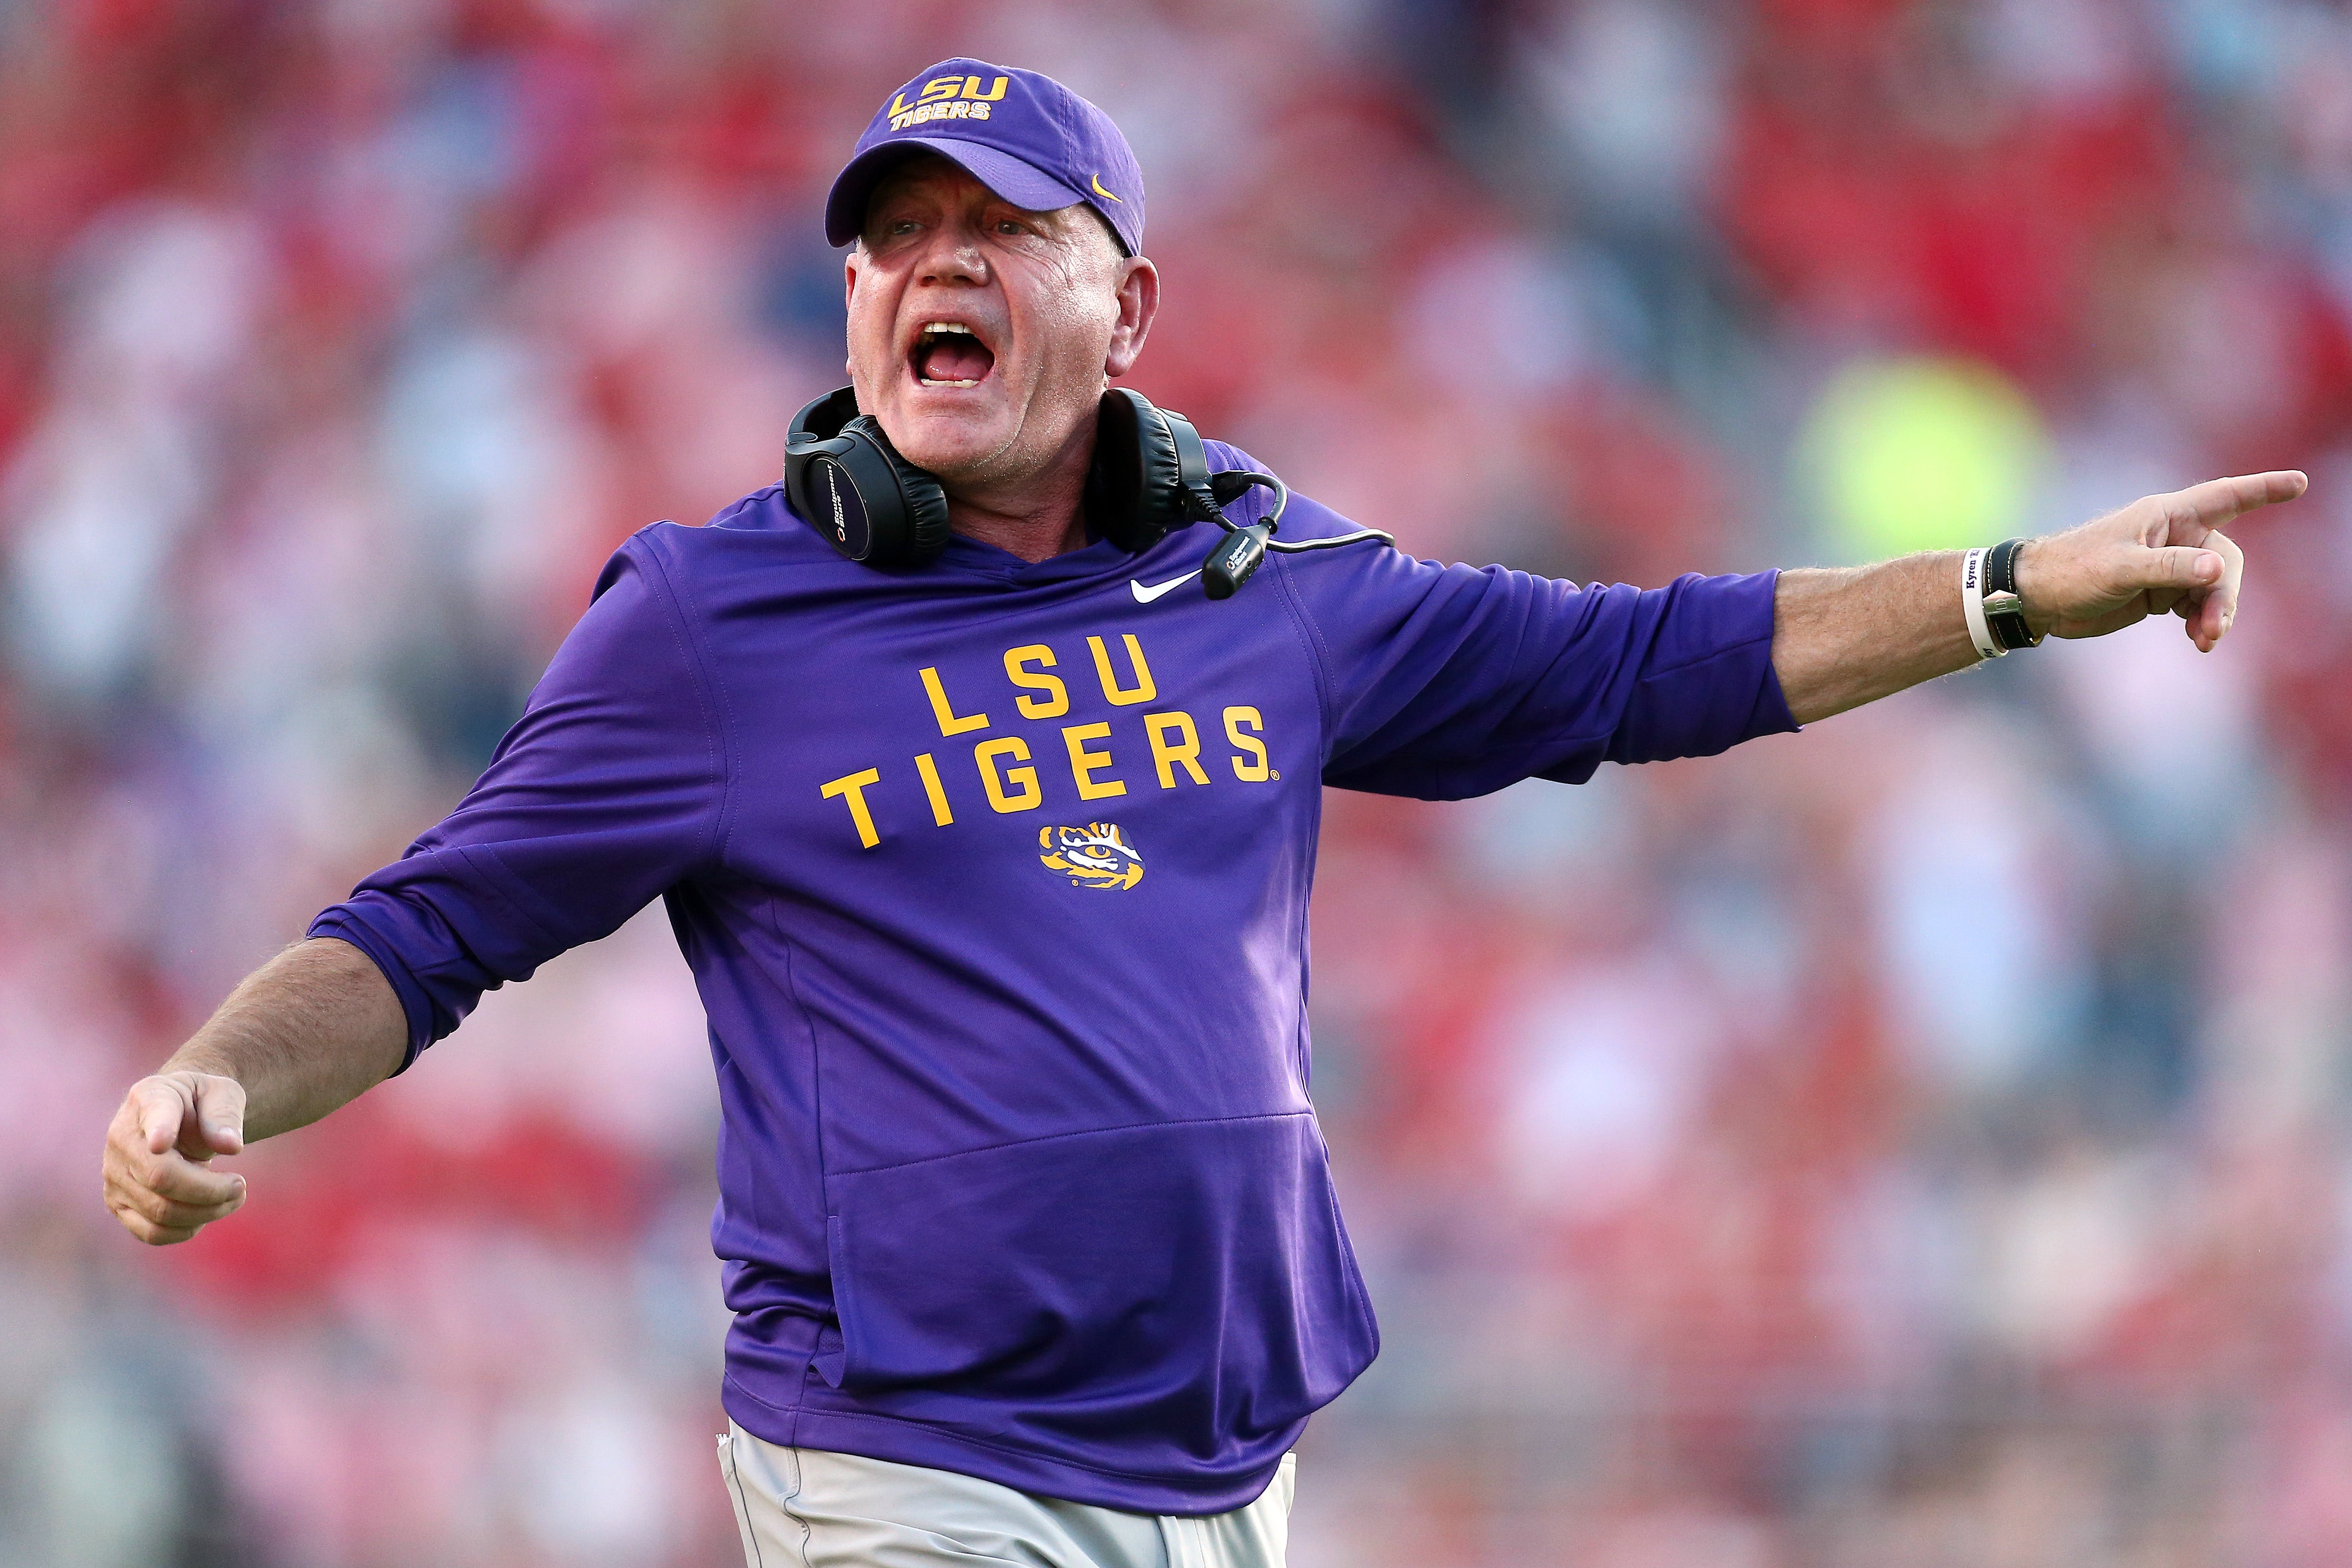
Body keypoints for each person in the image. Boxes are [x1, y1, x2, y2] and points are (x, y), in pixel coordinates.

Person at [98, 57, 2305, 1568]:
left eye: (998, 229)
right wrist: (215, 1074)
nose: (931, 266)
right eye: (891, 237)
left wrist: (2009, 588)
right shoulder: (709, 618)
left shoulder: (1265, 581)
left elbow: (1651, 662)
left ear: (1124, 305)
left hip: (1221, 1475)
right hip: (907, 1467)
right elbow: (429, 926)